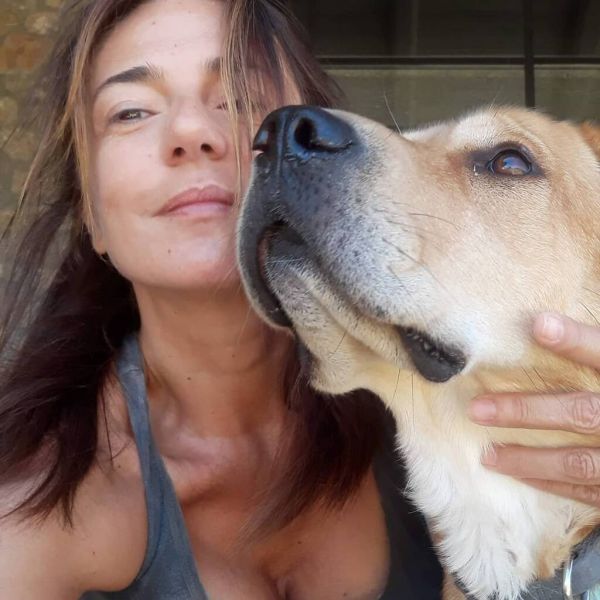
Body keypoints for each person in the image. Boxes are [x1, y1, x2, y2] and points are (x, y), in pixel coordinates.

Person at [0, 1, 598, 599]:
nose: (189, 132)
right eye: (131, 112)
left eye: (238, 97)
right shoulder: (29, 526)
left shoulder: (418, 396)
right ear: (92, 216)